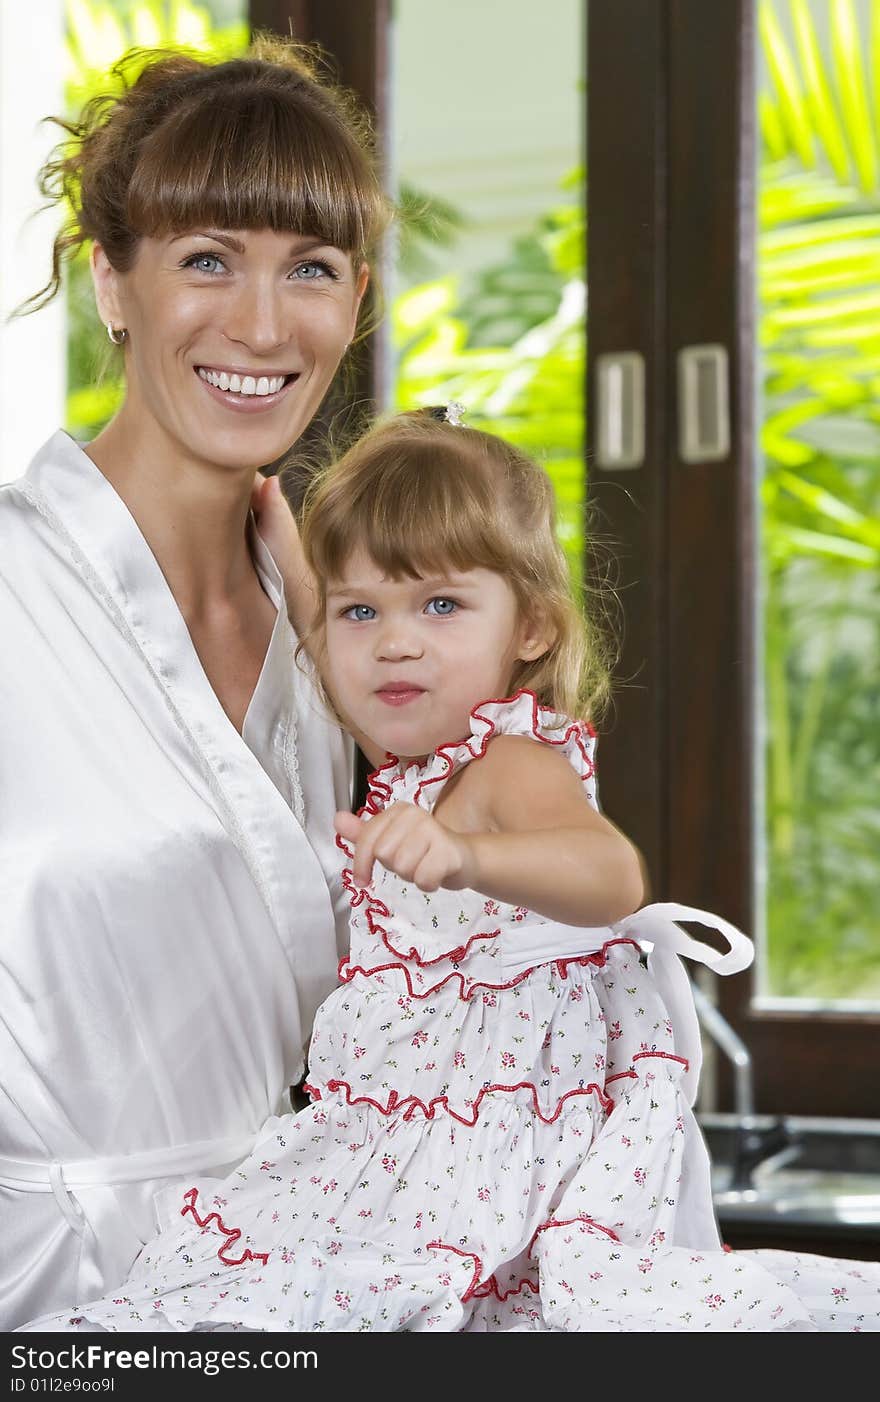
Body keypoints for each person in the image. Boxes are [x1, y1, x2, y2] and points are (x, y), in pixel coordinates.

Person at [19, 410, 880, 1333]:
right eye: (364, 609)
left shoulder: (508, 765)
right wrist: (294, 565)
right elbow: (343, 661)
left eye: (440, 606)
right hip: (404, 1146)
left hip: (490, 1153)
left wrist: (470, 857)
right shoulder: (417, 755)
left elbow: (611, 874)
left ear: (535, 631)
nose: (396, 642)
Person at [0, 37, 392, 1330]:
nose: (265, 325)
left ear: (359, 298)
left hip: (299, 1288)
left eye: (311, 269)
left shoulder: (336, 632)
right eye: (208, 259)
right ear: (113, 282)